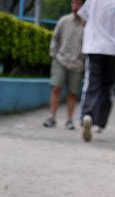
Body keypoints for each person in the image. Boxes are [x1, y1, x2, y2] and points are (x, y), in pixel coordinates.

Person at [77, 0, 115, 142]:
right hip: (113, 48)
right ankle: (99, 122)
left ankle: (87, 114)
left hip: (94, 46)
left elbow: (82, 18)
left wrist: (90, 30)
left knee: (93, 82)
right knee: (107, 85)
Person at [43, 0, 85, 130]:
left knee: (72, 92)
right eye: (73, 3)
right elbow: (55, 38)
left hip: (77, 64)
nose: (75, 7)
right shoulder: (64, 21)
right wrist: (54, 55)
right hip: (60, 59)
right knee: (56, 87)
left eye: (78, 4)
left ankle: (69, 119)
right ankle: (51, 116)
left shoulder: (88, 25)